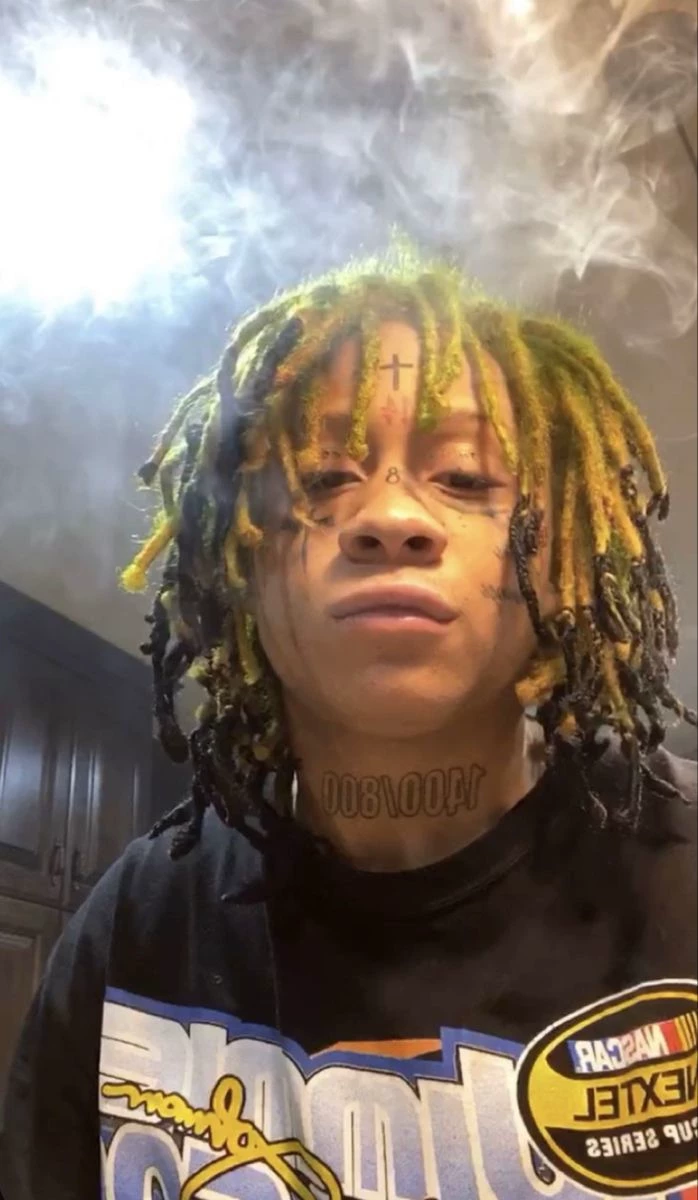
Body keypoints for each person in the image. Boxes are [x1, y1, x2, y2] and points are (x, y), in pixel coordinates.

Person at [1, 251, 696, 1200]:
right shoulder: (138, 924)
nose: (392, 516)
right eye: (325, 476)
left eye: (464, 476)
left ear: (565, 558)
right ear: (235, 566)